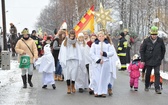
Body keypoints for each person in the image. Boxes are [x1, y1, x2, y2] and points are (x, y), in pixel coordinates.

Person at [140, 26, 166, 94]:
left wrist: (161, 57)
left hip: (157, 60)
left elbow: (163, 50)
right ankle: (146, 85)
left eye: (155, 35)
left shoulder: (160, 40)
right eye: (153, 34)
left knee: (157, 73)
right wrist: (143, 59)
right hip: (148, 60)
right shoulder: (146, 41)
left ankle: (157, 88)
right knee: (148, 73)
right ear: (150, 34)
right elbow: (142, 50)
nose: (154, 36)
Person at [90, 31, 114, 98]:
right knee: (96, 77)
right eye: (99, 36)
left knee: (104, 78)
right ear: (97, 37)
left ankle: (103, 91)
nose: (101, 37)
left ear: (104, 37)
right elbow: (91, 53)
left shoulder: (108, 44)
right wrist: (97, 59)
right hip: (97, 63)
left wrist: (105, 54)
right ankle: (97, 91)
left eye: (102, 36)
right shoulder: (94, 44)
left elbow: (112, 52)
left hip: (105, 62)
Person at [59, 30, 82, 94]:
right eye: (71, 36)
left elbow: (78, 51)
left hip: (75, 59)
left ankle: (73, 85)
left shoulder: (76, 42)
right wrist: (62, 60)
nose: (72, 37)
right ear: (69, 35)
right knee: (67, 74)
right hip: (67, 60)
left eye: (73, 36)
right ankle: (68, 86)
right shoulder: (65, 42)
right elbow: (62, 52)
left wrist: (79, 59)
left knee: (74, 73)